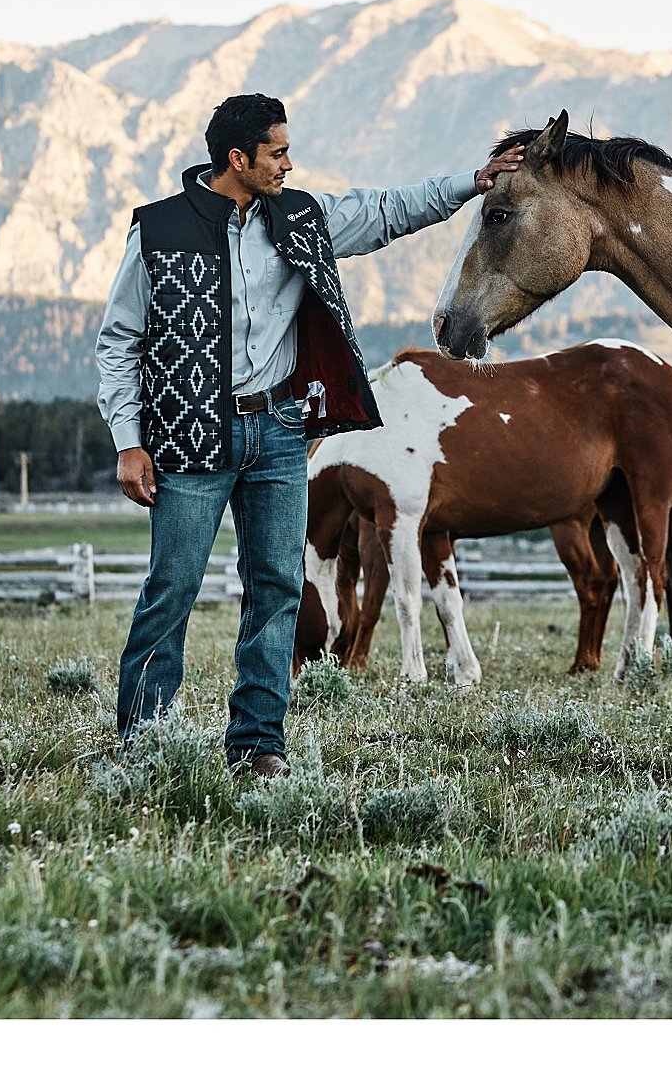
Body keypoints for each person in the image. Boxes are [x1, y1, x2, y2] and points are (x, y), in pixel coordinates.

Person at [95, 92, 522, 778]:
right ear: (238, 159)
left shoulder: (300, 217)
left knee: (277, 587)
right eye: (278, 152)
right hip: (188, 437)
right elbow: (118, 342)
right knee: (172, 586)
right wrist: (128, 438)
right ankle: (141, 747)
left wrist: (471, 183)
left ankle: (258, 745)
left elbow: (386, 211)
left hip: (280, 433)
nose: (289, 164)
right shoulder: (158, 229)